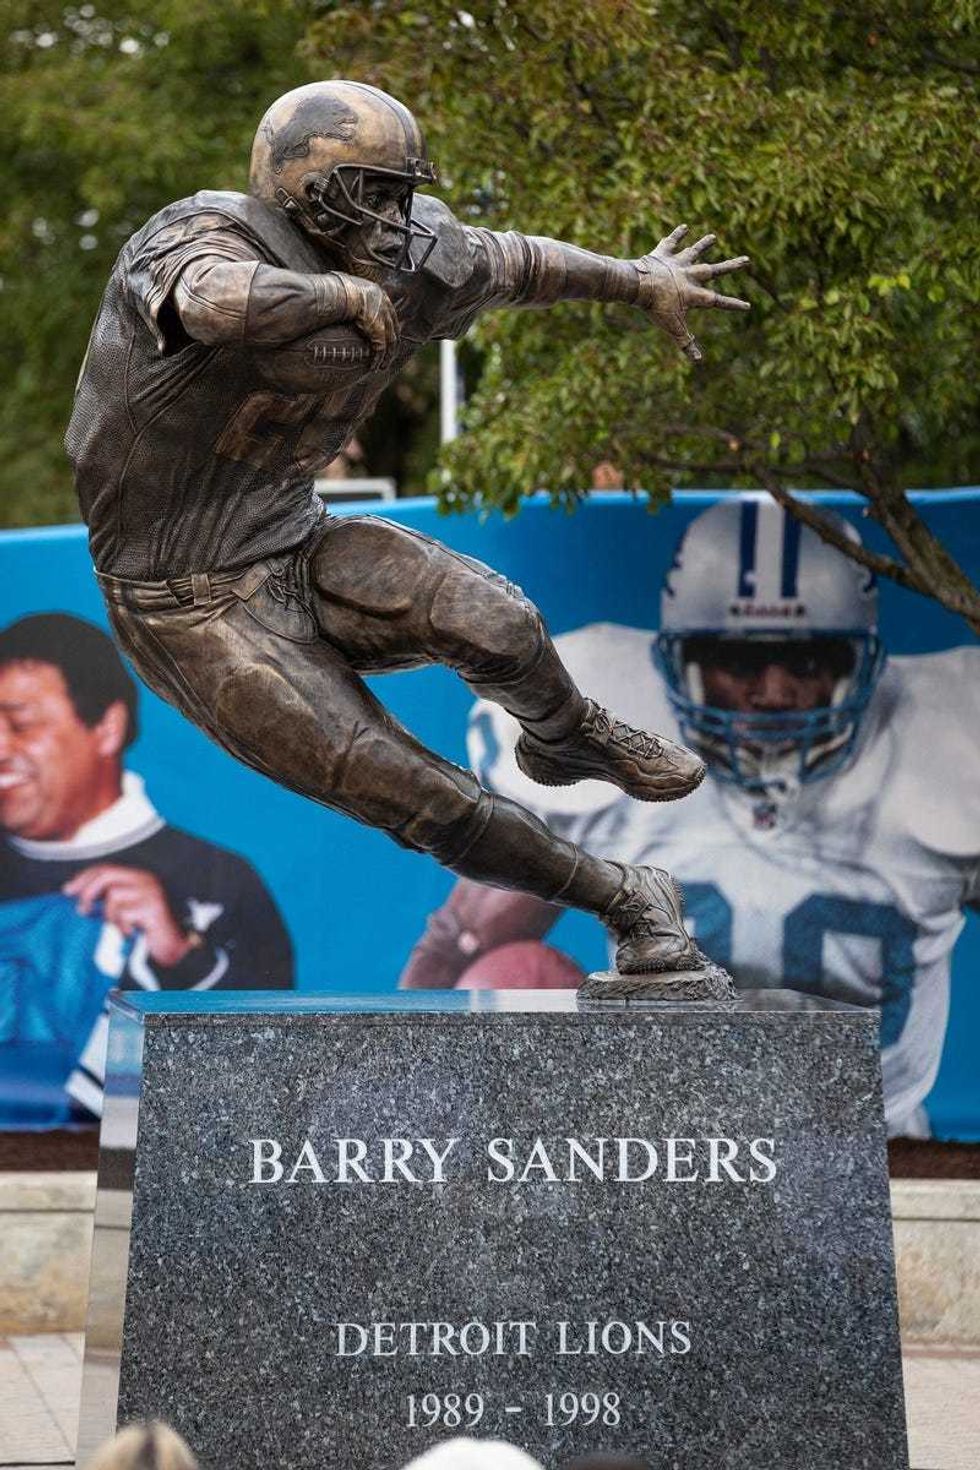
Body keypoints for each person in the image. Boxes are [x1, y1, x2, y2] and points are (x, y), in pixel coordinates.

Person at [66, 80, 751, 986]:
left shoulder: (412, 251)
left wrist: (637, 280)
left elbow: (518, 264)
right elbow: (210, 300)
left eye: (401, 190)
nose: (395, 215)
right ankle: (630, 899)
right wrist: (335, 299)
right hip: (182, 599)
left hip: (291, 538)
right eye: (372, 190)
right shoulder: (200, 236)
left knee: (493, 620)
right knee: (408, 786)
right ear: (303, 187)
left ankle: (564, 733)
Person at [401, 498, 980, 1137]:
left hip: (879, 1140)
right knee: (507, 979)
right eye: (738, 662)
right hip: (668, 1139)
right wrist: (408, 1111)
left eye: (809, 662)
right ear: (681, 662)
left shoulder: (948, 740)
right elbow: (464, 940)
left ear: (861, 665)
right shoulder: (611, 739)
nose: (774, 691)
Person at [0, 613, 293, 1127]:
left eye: (21, 725)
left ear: (106, 728)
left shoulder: (217, 881)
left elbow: (274, 1078)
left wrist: (181, 957)